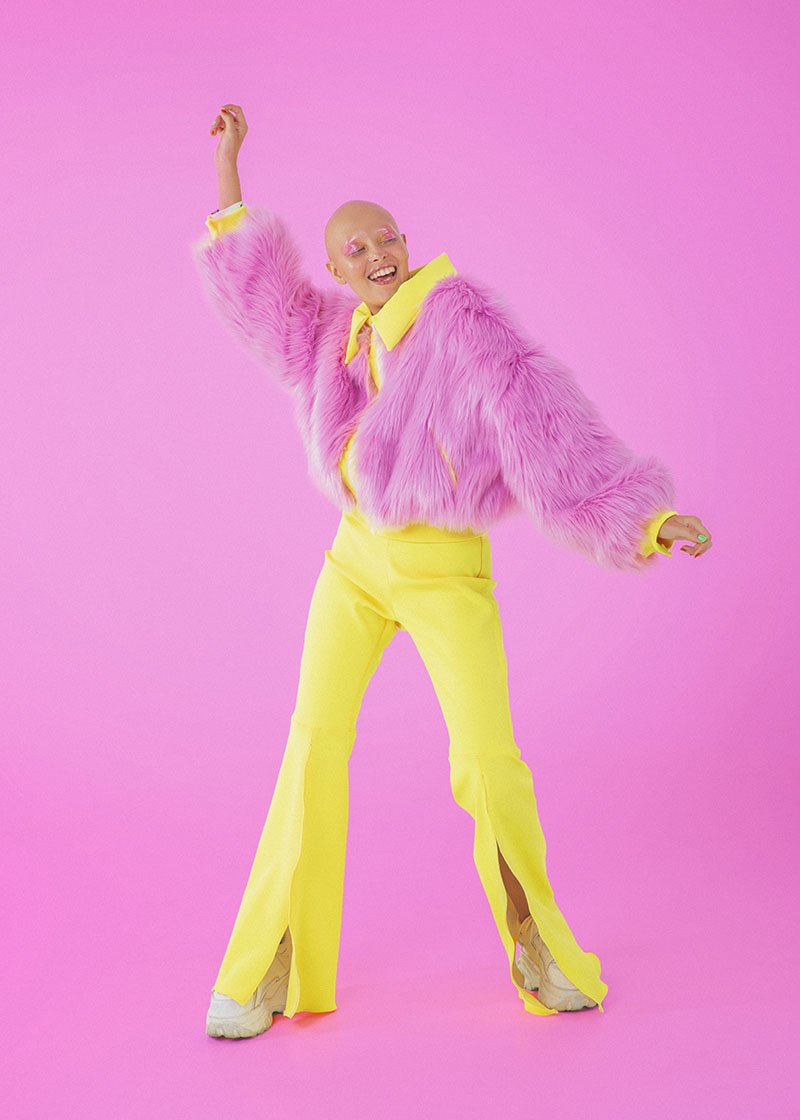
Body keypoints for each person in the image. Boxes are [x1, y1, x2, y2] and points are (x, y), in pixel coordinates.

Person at [193, 104, 712, 1040]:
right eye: (356, 249)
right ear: (338, 268)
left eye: (387, 238)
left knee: (484, 762)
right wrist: (229, 173)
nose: (378, 256)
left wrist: (645, 518)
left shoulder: (464, 321)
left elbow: (544, 420)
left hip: (444, 571)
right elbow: (261, 299)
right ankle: (271, 963)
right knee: (311, 747)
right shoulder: (335, 331)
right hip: (354, 562)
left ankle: (540, 949)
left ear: (406, 242)